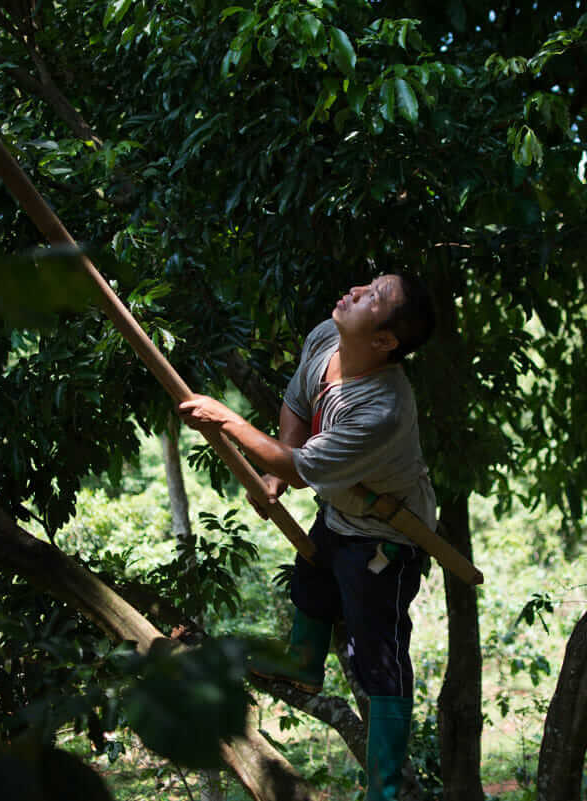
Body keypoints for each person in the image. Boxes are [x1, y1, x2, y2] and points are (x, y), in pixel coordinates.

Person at [178, 272, 436, 801]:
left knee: (378, 652)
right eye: (368, 283)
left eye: (375, 297)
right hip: (341, 511)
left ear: (386, 340)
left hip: (386, 535)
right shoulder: (327, 338)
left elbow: (297, 467)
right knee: (313, 580)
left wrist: (227, 420)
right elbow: (297, 406)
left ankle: (384, 788)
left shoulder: (381, 408)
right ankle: (303, 666)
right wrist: (269, 475)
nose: (358, 291)